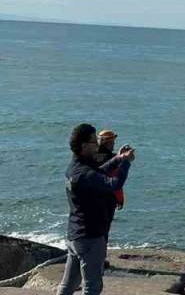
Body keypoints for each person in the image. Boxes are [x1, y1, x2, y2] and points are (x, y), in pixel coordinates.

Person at [57, 123, 134, 295]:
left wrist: (119, 158)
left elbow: (99, 171)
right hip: (90, 237)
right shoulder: (83, 173)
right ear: (84, 146)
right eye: (94, 141)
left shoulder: (75, 167)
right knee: (92, 287)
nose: (97, 144)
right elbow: (114, 184)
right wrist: (126, 163)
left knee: (68, 285)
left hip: (75, 235)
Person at [93, 130, 125, 211]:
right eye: (113, 141)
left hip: (91, 197)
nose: (114, 144)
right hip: (107, 199)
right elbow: (115, 181)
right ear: (108, 143)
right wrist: (120, 200)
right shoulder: (113, 160)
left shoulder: (90, 156)